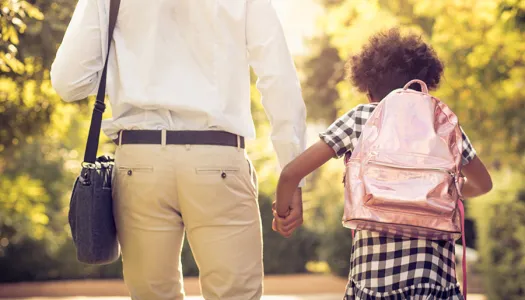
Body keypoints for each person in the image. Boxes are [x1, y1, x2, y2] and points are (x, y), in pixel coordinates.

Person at [51, 0, 307, 299]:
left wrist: (132, 74)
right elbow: (278, 78)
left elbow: (69, 82)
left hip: (140, 162)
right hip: (218, 159)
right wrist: (293, 175)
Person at [272, 28, 492, 299]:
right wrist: (451, 191)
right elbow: (483, 183)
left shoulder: (361, 118)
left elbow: (291, 173)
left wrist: (284, 214)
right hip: (435, 280)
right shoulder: (441, 123)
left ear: (367, 89)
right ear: (425, 83)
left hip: (373, 281)